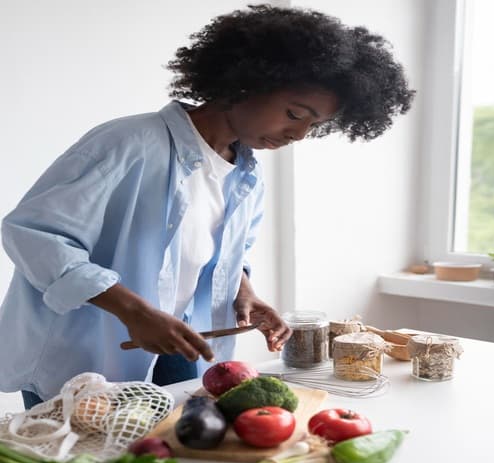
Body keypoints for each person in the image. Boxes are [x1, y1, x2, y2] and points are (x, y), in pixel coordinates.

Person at [0, 4, 414, 409]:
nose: (300, 134)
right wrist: (136, 312)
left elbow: (210, 251)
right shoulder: (127, 144)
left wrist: (244, 292)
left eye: (314, 124)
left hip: (184, 347)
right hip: (90, 353)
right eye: (294, 113)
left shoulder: (246, 173)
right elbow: (36, 235)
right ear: (246, 81)